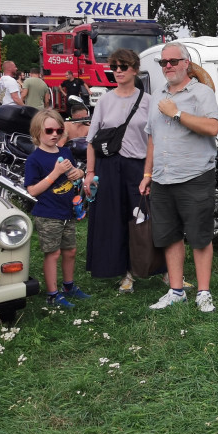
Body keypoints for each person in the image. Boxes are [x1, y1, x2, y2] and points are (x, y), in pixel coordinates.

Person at [140, 42, 218, 313]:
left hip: (195, 175)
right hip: (163, 178)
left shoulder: (201, 93)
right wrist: (147, 173)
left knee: (200, 237)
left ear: (186, 63)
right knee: (169, 236)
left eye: (174, 61)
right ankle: (176, 291)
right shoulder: (156, 94)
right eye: (164, 62)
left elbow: (212, 127)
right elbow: (152, 137)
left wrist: (176, 113)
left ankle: (203, 292)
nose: (169, 66)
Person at [85, 49, 152, 292]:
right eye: (115, 67)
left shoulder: (148, 101)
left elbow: (154, 139)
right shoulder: (104, 100)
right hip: (109, 166)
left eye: (124, 66)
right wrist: (89, 173)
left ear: (135, 69)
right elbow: (92, 140)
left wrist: (148, 172)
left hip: (137, 166)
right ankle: (124, 274)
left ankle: (151, 266)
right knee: (113, 220)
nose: (119, 71)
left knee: (141, 218)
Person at [23, 108, 90, 308]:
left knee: (70, 251)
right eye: (49, 131)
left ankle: (68, 286)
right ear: (37, 133)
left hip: (67, 211)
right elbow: (33, 190)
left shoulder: (65, 151)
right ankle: (52, 294)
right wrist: (55, 173)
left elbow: (74, 171)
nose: (54, 135)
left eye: (59, 131)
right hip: (47, 214)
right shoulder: (34, 159)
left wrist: (77, 172)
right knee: (53, 253)